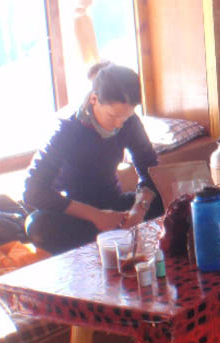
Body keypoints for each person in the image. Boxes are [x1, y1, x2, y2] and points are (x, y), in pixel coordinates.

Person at [24, 62, 164, 254]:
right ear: (94, 99)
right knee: (38, 227)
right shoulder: (67, 128)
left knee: (174, 200)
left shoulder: (129, 122)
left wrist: (139, 209)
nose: (118, 124)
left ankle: (113, 233)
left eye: (125, 117)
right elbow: (33, 191)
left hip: (113, 204)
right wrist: (96, 216)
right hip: (73, 211)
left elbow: (150, 169)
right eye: (113, 115)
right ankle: (110, 235)